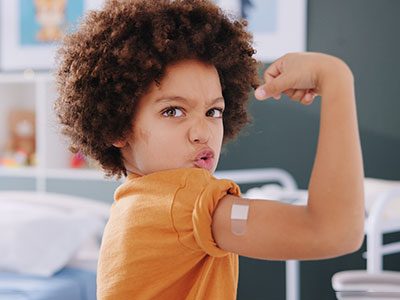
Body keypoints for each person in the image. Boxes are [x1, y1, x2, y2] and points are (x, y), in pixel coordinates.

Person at [54, 0, 365, 299]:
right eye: (173, 111)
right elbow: (333, 231)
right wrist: (336, 78)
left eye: (213, 112)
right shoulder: (182, 202)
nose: (202, 132)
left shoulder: (140, 202)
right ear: (118, 127)